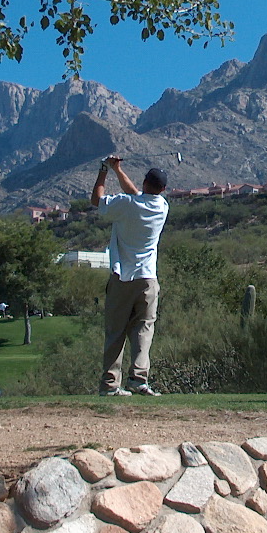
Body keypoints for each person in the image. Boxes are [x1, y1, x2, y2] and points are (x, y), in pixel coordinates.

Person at [92, 156, 169, 396]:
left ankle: (110, 385)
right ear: (163, 189)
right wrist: (118, 170)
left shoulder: (126, 204)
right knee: (144, 330)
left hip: (122, 277)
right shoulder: (162, 206)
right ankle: (138, 379)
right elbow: (137, 194)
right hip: (148, 280)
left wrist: (105, 170)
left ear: (145, 182)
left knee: (116, 332)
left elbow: (96, 200)